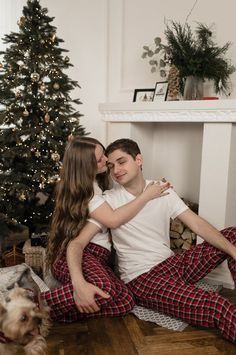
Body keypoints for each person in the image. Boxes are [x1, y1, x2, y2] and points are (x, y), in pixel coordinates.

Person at [69, 138, 236, 343]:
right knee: (217, 305)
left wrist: (232, 251)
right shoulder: (108, 201)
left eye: (122, 162)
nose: (116, 170)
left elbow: (197, 224)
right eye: (111, 166)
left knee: (232, 236)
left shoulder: (162, 190)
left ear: (139, 159)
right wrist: (79, 283)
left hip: (173, 265)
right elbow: (77, 243)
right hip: (143, 278)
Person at [41, 136, 170, 322]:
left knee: (125, 301)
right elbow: (113, 220)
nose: (106, 161)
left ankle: (50, 314)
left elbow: (129, 191)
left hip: (97, 259)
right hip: (80, 254)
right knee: (105, 287)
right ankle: (31, 304)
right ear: (86, 164)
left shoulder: (97, 184)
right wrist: (146, 196)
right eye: (100, 159)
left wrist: (154, 187)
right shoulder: (88, 192)